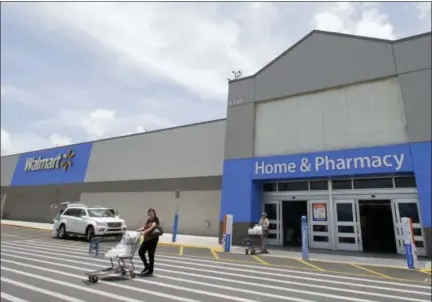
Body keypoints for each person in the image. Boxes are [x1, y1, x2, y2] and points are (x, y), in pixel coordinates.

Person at [138, 208, 160, 276]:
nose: (150, 214)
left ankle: (150, 270)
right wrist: (137, 230)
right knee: (141, 252)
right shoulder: (149, 220)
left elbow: (152, 227)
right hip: (146, 239)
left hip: (153, 239)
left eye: (152, 213)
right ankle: (146, 266)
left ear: (154, 213)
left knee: (151, 254)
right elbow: (144, 227)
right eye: (149, 213)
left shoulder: (155, 219)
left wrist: (144, 232)